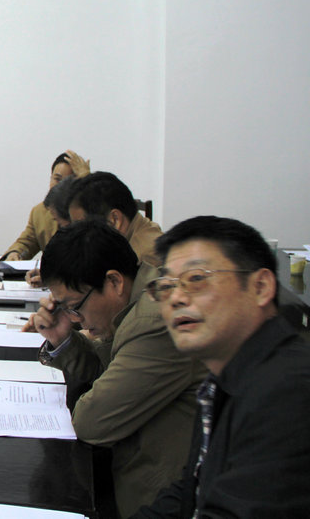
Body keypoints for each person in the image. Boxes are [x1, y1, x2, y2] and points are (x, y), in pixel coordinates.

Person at [26, 220, 206, 517]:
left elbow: (91, 422)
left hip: (158, 500)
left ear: (114, 282)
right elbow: (109, 369)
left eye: (75, 307)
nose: (76, 319)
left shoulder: (154, 321)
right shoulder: (137, 302)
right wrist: (62, 338)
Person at [132, 216, 310, 517]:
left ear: (261, 287)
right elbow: (192, 491)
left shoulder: (288, 392)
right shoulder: (224, 378)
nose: (176, 298)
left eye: (196, 279)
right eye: (166, 286)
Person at [2, 150, 89, 261]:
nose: (61, 185)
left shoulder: (90, 213)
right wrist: (16, 253)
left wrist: (87, 179)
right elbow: (26, 242)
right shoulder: (39, 212)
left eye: (68, 181)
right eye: (57, 179)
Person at [67, 171, 163, 267]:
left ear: (115, 219)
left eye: (81, 227)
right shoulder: (137, 227)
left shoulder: (142, 260)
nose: (77, 236)